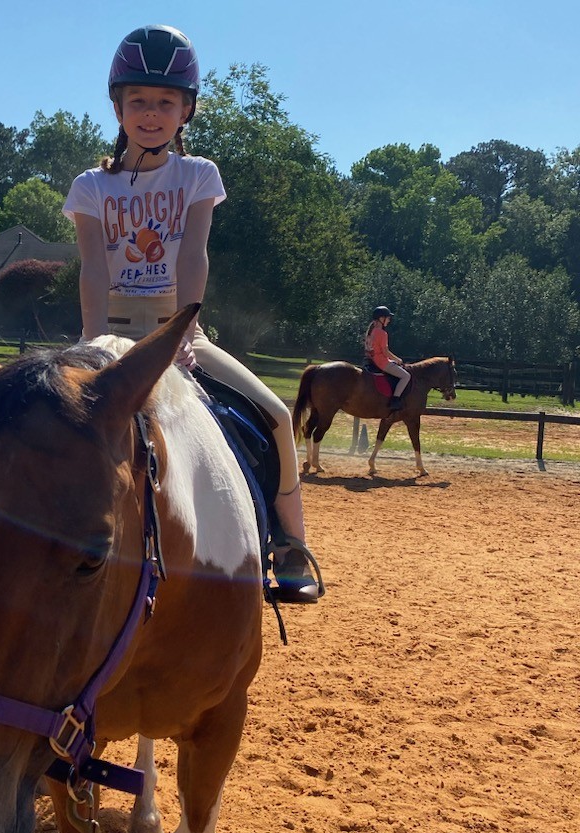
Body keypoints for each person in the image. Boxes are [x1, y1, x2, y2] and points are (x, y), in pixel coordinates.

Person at [63, 24, 321, 603]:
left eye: (165, 102)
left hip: (177, 327)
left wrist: (184, 330)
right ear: (117, 107)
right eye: (138, 102)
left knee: (277, 415)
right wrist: (91, 339)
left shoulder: (198, 175)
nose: (150, 113)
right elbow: (94, 269)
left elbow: (192, 254)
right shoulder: (90, 188)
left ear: (186, 111)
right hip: (109, 328)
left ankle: (288, 546)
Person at [364, 305, 409, 410]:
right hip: (381, 362)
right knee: (406, 376)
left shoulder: (371, 332)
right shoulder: (382, 333)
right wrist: (398, 360)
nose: (389, 320)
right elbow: (385, 351)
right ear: (381, 318)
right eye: (388, 318)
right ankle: (395, 400)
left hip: (370, 361)